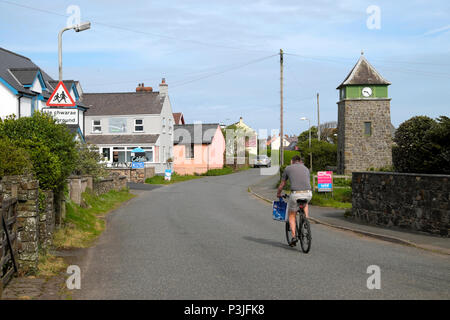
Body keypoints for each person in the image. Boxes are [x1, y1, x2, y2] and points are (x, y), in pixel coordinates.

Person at [276, 155, 312, 247]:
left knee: (291, 215)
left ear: (292, 161)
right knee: (305, 203)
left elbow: (282, 184)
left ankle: (293, 237)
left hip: (295, 194)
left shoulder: (288, 168)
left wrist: (278, 193)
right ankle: (306, 220)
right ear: (300, 161)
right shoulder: (306, 168)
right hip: (308, 193)